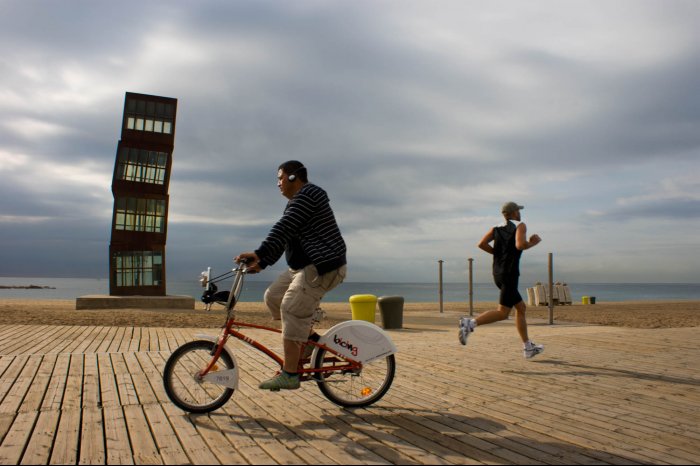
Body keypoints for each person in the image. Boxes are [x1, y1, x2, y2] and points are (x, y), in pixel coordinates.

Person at [235, 160, 347, 390]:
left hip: (321, 266)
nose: (278, 183)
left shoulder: (310, 194)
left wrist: (259, 252)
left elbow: (284, 226)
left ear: (294, 177)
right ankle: (308, 342)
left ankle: (290, 373)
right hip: (303, 268)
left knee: (290, 308)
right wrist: (262, 262)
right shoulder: (297, 203)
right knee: (273, 297)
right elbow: (286, 237)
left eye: (280, 178)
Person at [459, 202, 544, 359]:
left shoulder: (496, 228)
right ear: (514, 212)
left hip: (498, 273)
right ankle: (470, 324)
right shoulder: (520, 225)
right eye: (518, 210)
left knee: (521, 308)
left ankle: (528, 347)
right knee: (503, 313)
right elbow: (520, 245)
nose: (520, 213)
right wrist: (532, 243)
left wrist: (497, 254)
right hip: (510, 273)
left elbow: (481, 244)